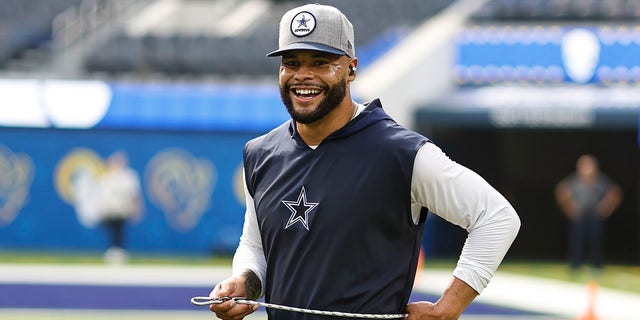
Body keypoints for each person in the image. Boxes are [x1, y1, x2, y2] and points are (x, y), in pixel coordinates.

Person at [207, 4, 520, 319]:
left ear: (351, 69)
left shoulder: (401, 152)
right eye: (291, 63)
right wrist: (245, 282)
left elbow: (496, 217)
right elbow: (257, 246)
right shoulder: (260, 153)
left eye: (320, 62)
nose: (303, 75)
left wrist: (448, 308)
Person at [555, 154, 622, 274]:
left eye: (588, 165)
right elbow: (561, 190)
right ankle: (575, 265)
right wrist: (569, 208)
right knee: (577, 241)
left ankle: (597, 266)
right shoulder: (574, 180)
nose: (586, 168)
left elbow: (615, 192)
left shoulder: (601, 180)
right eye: (583, 165)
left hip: (594, 215)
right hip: (579, 215)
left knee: (596, 240)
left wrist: (606, 207)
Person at [98, 150, 144, 264]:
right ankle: (112, 253)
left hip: (123, 210)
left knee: (121, 231)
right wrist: (102, 209)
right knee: (111, 231)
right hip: (110, 210)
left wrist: (137, 208)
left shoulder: (129, 176)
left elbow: (134, 195)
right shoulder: (107, 177)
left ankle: (121, 254)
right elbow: (103, 195)